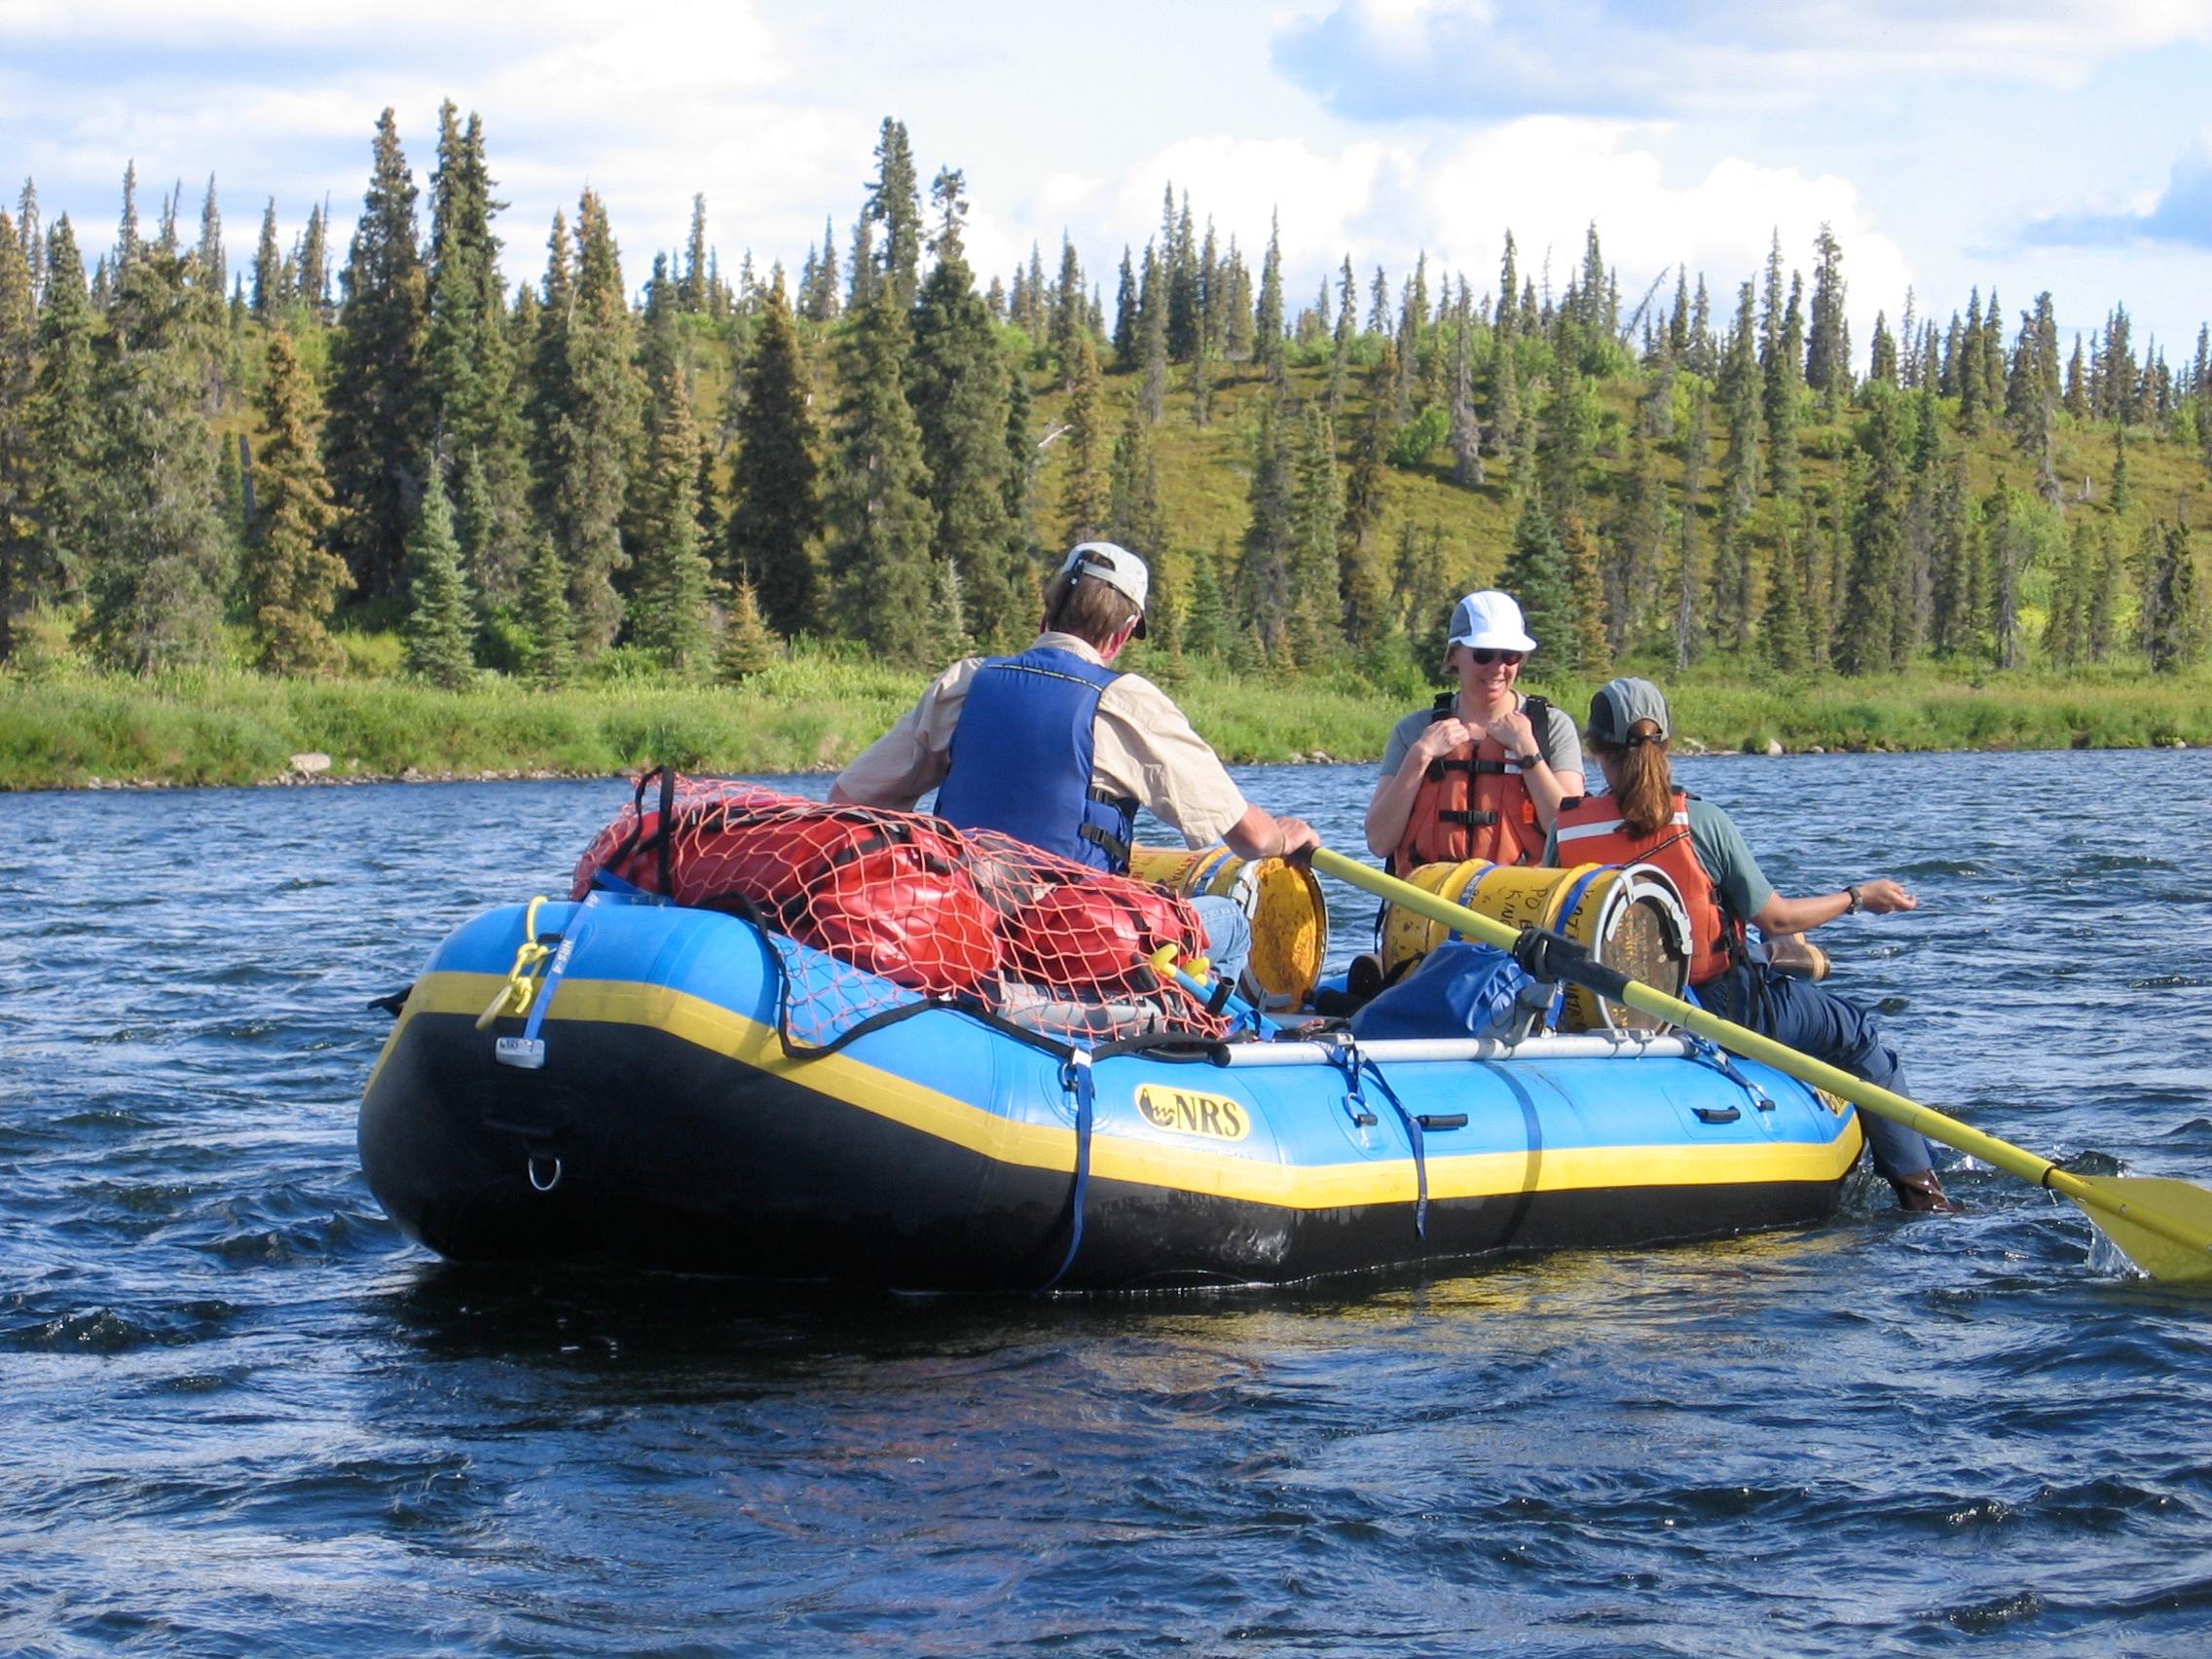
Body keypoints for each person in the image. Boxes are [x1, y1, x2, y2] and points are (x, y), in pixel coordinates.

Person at [829, 540, 1318, 992]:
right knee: (1232, 919)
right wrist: (1283, 837)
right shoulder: (1127, 702)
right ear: (1123, 633)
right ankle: (1205, 1041)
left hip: (958, 919)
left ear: (1048, 613)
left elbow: (851, 799)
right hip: (1071, 937)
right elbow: (1249, 839)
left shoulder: (966, 682)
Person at [1548, 677, 1959, 1213]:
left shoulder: (1569, 830)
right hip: (1718, 1008)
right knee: (1858, 1036)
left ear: (1594, 748)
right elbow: (1777, 916)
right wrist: (1857, 897)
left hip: (1608, 1009)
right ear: (1667, 743)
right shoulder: (1701, 821)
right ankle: (1923, 1196)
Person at [1365, 589, 1585, 871]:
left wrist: (1529, 753)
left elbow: (1570, 837)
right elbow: (1379, 842)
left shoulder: (1551, 727)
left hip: (1518, 904)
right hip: (1430, 903)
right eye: (1483, 655)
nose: (1498, 667)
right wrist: (1420, 756)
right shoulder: (1414, 731)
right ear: (1453, 654)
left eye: (1510, 655)